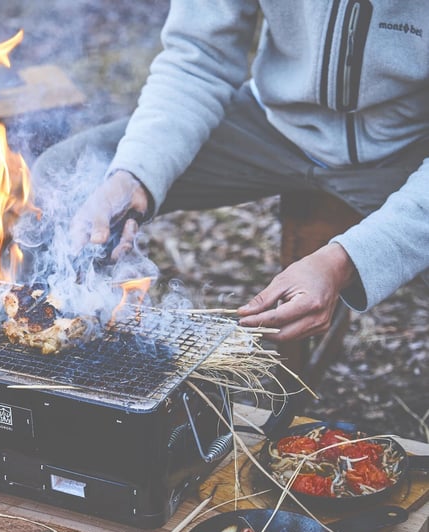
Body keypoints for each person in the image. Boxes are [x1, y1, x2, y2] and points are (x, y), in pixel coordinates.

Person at [32, 1, 429, 342]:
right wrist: (134, 174)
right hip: (273, 124)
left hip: (406, 145)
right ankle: (65, 343)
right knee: (65, 174)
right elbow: (199, 58)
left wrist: (348, 260)